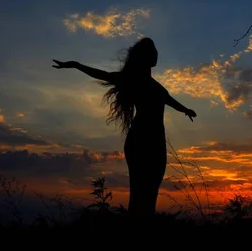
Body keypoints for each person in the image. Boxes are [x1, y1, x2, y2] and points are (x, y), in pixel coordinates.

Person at [52, 37, 196, 217]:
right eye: (152, 51)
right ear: (144, 56)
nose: (156, 54)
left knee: (151, 191)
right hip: (141, 139)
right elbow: (102, 74)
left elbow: (170, 101)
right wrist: (76, 65)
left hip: (157, 141)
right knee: (139, 192)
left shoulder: (156, 86)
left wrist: (185, 110)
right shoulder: (131, 79)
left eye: (155, 50)